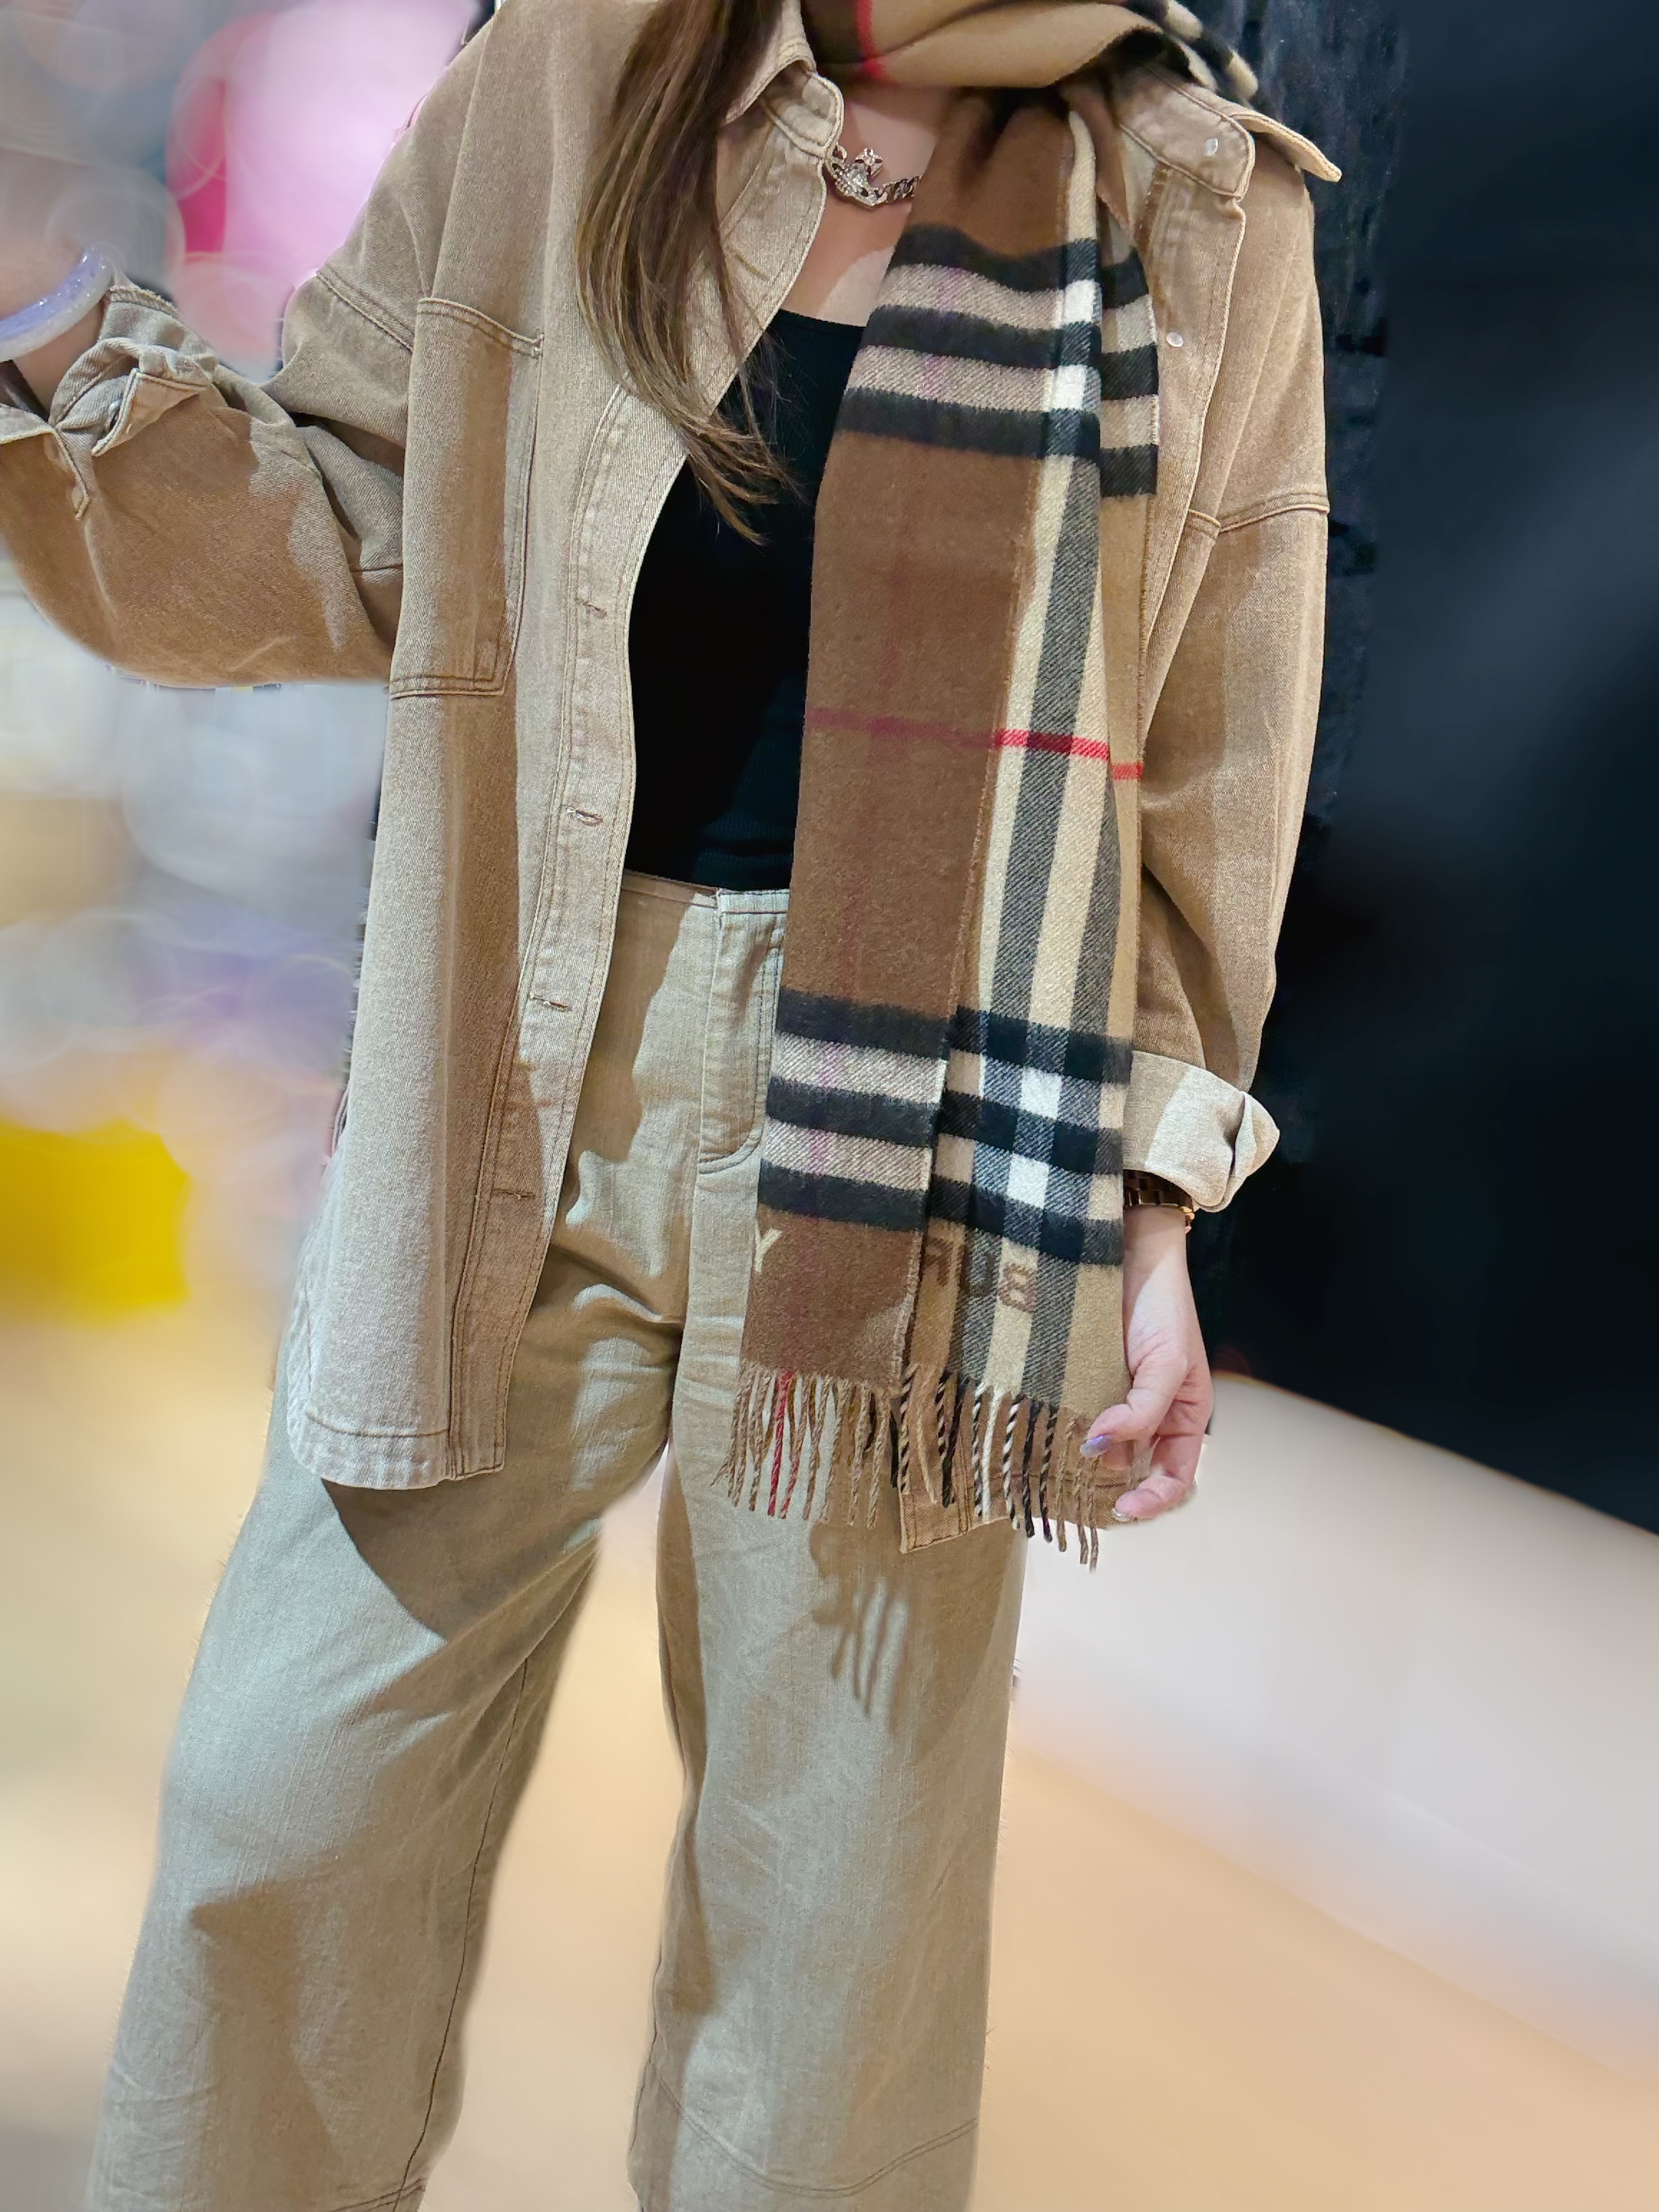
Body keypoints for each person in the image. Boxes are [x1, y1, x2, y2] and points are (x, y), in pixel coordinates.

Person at [0, 1, 1335, 2206]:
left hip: (934, 1130)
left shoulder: (1195, 190)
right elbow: (346, 528)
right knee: (280, 1808)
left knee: (829, 1949)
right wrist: (56, 329)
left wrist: (1154, 1208)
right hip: (512, 1048)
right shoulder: (580, 74)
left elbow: (1212, 751)